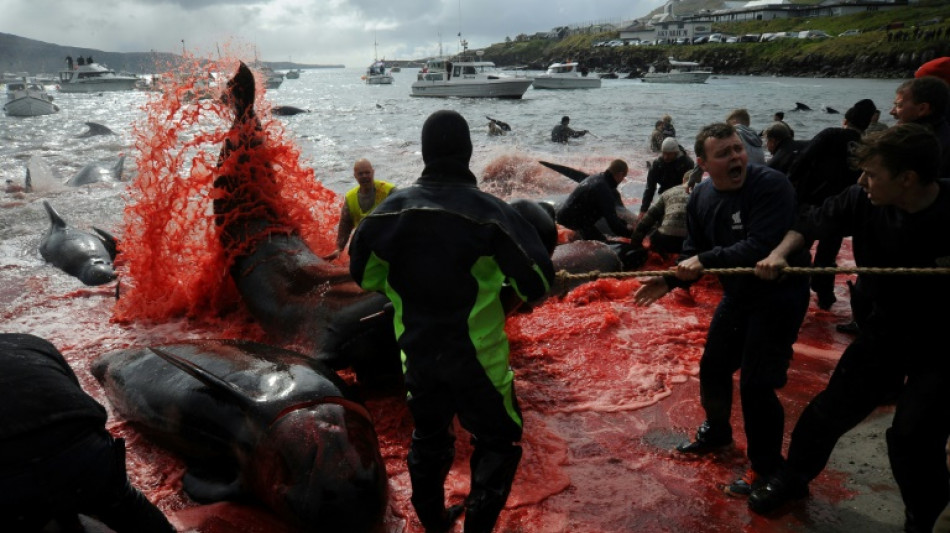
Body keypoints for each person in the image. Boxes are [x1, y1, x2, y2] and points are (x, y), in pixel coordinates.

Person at [348, 110, 555, 533]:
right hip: (478, 362)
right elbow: (536, 281)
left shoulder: (388, 213)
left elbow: (364, 273)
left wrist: (410, 287)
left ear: (425, 153)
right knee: (497, 441)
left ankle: (434, 522)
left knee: (429, 437)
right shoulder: (493, 214)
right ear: (468, 152)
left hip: (418, 356)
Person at [749, 124, 950, 533]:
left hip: (944, 341)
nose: (861, 181)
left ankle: (921, 518)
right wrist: (780, 253)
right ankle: (793, 477)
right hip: (885, 327)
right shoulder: (861, 199)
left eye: (872, 173)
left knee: (912, 436)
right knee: (828, 411)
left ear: (907, 179)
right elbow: (808, 224)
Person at [634, 122, 811, 498]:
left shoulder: (771, 185)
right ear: (703, 163)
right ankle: (716, 431)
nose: (735, 158)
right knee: (713, 366)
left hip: (779, 296)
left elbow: (760, 245)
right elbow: (691, 253)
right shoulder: (700, 197)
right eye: (724, 153)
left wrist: (704, 259)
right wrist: (671, 281)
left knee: (756, 384)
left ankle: (766, 468)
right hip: (739, 296)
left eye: (737, 150)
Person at [0, 333, 176, 533]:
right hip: (85, 448)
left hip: (11, 476)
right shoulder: (29, 342)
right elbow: (74, 396)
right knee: (122, 503)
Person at [786, 98, 877, 311]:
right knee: (827, 253)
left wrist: (789, 184)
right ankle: (825, 295)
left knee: (799, 246)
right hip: (842, 207)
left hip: (811, 202)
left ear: (846, 119)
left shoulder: (830, 134)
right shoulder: (866, 147)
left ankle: (790, 289)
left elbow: (802, 159)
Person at [323, 158, 395, 260]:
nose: (364, 176)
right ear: (355, 176)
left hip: (389, 242)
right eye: (360, 174)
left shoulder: (389, 190)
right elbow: (345, 224)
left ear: (373, 172)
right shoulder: (350, 197)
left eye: (367, 173)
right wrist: (339, 248)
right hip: (366, 245)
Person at [555, 159, 635, 242]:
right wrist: (633, 236)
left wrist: (625, 224)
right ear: (620, 174)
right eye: (623, 177)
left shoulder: (597, 178)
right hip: (572, 223)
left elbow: (611, 214)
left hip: (572, 218)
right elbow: (613, 224)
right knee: (603, 245)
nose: (622, 180)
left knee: (600, 239)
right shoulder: (604, 190)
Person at [890, 75, 950, 177]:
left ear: (922, 109)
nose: (892, 112)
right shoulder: (943, 135)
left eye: (899, 105)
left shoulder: (914, 144)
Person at [629, 172, 689, 257]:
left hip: (665, 240)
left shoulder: (669, 192)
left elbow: (648, 218)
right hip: (688, 244)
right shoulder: (703, 193)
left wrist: (634, 244)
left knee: (655, 233)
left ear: (683, 180)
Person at [640, 137, 694, 219]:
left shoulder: (687, 163)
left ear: (675, 153)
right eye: (664, 153)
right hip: (664, 193)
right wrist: (643, 210)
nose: (665, 157)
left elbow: (690, 187)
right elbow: (650, 188)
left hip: (681, 194)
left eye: (668, 154)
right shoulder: (657, 164)